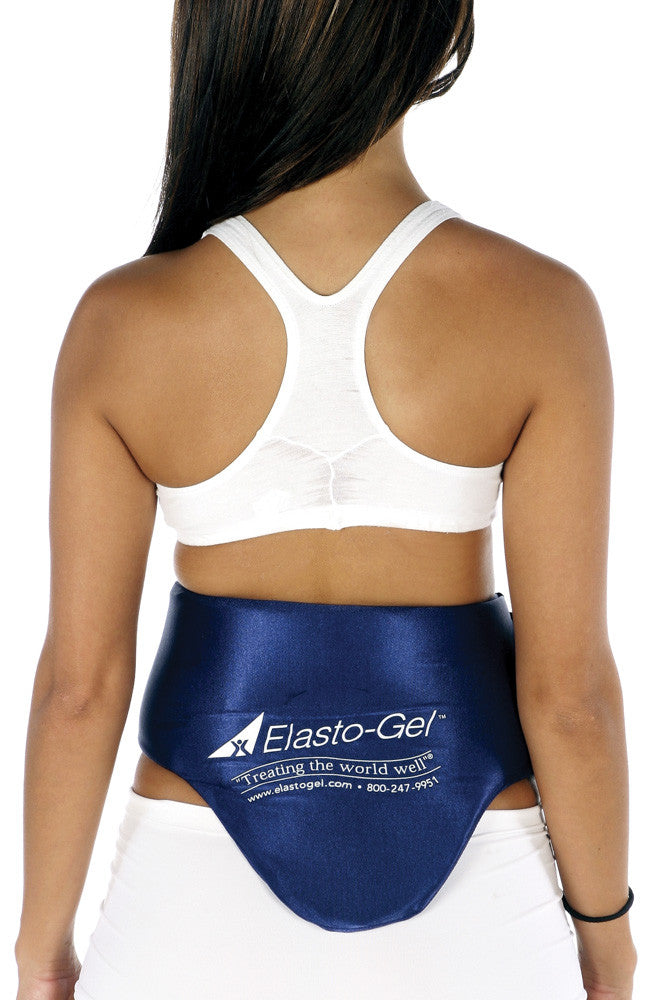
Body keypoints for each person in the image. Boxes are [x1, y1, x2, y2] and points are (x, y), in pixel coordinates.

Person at [14, 2, 637, 999]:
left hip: (191, 893)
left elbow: (78, 690)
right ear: (437, 29)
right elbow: (569, 702)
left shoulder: (125, 322)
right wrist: (607, 938)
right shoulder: (539, 309)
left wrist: (39, 953)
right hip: (477, 896)